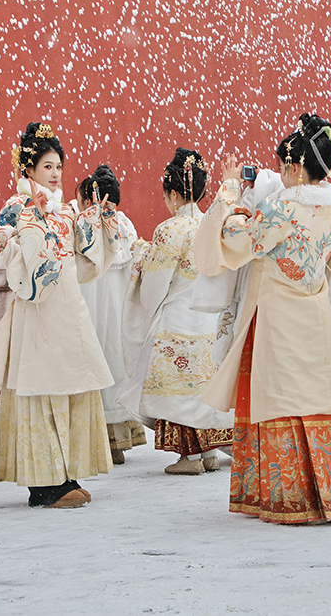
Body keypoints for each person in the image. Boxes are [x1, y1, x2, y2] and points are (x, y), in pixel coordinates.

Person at [194, 113, 331, 524]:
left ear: (295, 167)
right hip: (315, 314)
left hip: (278, 316)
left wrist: (231, 198)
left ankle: (292, 496)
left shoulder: (280, 209)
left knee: (281, 401)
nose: (279, 173)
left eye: (282, 167)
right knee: (321, 400)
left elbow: (234, 243)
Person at [0, 122, 119, 509]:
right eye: (47, 166)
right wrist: (33, 225)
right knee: (41, 392)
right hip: (37, 314)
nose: (55, 173)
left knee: (70, 387)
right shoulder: (15, 208)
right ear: (29, 169)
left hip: (68, 309)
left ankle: (66, 472)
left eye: (58, 166)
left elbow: (86, 264)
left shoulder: (66, 212)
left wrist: (96, 221)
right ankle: (43, 482)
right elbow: (8, 258)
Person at [121, 148, 232, 475]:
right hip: (209, 319)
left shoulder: (170, 230)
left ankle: (189, 457)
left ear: (172, 194)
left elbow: (155, 285)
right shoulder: (214, 225)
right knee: (204, 388)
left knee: (177, 392)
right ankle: (209, 452)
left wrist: (142, 259)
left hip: (178, 319)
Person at [75, 165, 147, 465]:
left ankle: (95, 441)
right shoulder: (125, 225)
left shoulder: (85, 224)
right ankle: (117, 440)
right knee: (115, 363)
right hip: (118, 308)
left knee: (94, 362)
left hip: (91, 305)